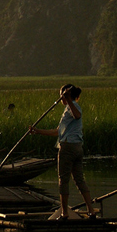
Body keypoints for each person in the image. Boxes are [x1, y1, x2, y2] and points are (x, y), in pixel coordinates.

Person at [28, 84, 96, 219]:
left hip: (69, 148)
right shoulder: (67, 109)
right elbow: (57, 131)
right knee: (79, 180)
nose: (61, 98)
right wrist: (37, 131)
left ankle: (65, 213)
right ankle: (91, 211)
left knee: (63, 180)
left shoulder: (73, 106)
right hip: (76, 147)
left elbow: (77, 115)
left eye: (62, 96)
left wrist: (69, 99)